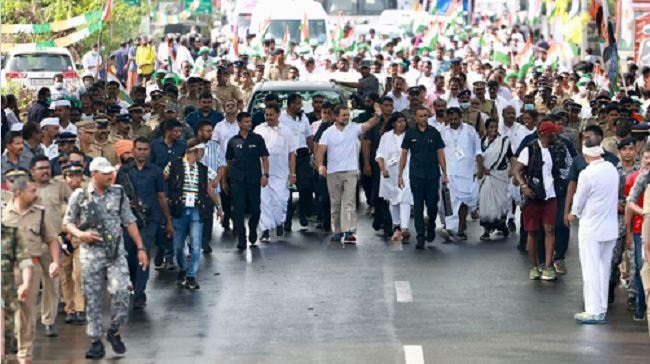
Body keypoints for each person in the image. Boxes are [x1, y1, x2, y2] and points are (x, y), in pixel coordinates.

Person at [63, 157, 148, 359]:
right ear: (94, 175)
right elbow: (68, 223)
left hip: (115, 253)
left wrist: (140, 247)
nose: (110, 176)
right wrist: (80, 234)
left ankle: (114, 330)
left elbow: (129, 221)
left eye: (111, 172)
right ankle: (95, 341)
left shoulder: (118, 193)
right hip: (91, 254)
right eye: (105, 173)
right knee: (92, 298)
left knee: (121, 292)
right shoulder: (80, 195)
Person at [3, 176, 60, 362]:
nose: (36, 194)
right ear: (18, 193)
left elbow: (52, 239)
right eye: (32, 191)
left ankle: (24, 353)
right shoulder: (4, 213)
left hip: (31, 267)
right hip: (6, 269)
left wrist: (55, 262)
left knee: (26, 313)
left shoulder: (40, 213)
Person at [116, 137, 173, 306]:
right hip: (128, 220)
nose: (142, 153)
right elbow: (116, 197)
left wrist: (168, 221)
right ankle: (134, 283)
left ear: (149, 151)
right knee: (129, 255)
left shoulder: (156, 172)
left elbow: (162, 197)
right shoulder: (124, 172)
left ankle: (140, 292)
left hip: (150, 220)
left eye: (145, 149)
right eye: (139, 149)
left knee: (144, 252)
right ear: (133, 150)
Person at [568, 144, 619, 324]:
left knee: (590, 270)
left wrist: (573, 213)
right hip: (610, 228)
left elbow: (579, 199)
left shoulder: (587, 174)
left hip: (591, 228)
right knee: (604, 269)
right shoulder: (612, 169)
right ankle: (601, 307)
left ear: (585, 155)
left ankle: (593, 310)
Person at [316, 104, 381, 243]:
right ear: (335, 116)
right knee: (336, 203)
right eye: (343, 115)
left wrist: (377, 115)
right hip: (333, 172)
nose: (346, 117)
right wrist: (321, 166)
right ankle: (338, 231)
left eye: (347, 115)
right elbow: (320, 150)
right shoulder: (328, 132)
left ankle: (349, 231)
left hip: (351, 171)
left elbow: (368, 124)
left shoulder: (353, 128)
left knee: (349, 202)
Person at [514, 121, 565, 281]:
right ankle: (534, 266)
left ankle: (549, 266)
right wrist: (524, 186)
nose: (556, 136)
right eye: (553, 133)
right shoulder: (530, 149)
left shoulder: (555, 149)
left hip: (551, 196)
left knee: (550, 229)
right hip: (533, 196)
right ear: (545, 134)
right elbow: (516, 170)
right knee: (532, 231)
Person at [399, 105, 447, 249]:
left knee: (432, 205)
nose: (423, 119)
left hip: (432, 174)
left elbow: (440, 153)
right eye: (420, 116)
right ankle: (420, 236)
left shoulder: (434, 133)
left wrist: (445, 173)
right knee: (418, 206)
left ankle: (431, 225)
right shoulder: (410, 134)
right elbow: (404, 154)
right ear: (415, 117)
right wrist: (400, 175)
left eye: (425, 115)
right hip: (416, 175)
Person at [31, 155, 68, 336]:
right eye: (40, 168)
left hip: (52, 243)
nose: (45, 171)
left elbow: (74, 203)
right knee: (28, 286)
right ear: (32, 172)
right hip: (30, 245)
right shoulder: (26, 189)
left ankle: (49, 320)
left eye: (47, 167)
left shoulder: (59, 186)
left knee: (52, 284)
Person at [225, 112, 269, 250]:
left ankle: (252, 227)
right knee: (238, 209)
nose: (249, 124)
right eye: (246, 122)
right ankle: (242, 238)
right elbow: (229, 161)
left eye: (250, 121)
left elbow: (264, 158)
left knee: (256, 209)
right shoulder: (233, 141)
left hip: (254, 179)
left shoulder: (257, 139)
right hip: (237, 180)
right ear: (239, 123)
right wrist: (226, 179)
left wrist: (265, 175)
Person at [439, 106, 484, 241]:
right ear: (447, 118)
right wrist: (442, 171)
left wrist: (480, 168)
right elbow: (439, 152)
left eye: (456, 118)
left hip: (467, 171)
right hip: (449, 172)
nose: (453, 121)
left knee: (465, 200)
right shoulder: (442, 132)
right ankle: (452, 229)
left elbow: (478, 151)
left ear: (461, 118)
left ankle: (461, 226)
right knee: (451, 201)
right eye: (451, 119)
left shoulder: (470, 131)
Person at [255, 104, 297, 242]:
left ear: (278, 114)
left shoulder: (287, 131)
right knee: (264, 202)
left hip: (281, 173)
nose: (268, 117)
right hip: (263, 173)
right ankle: (265, 230)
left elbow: (292, 153)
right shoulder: (259, 130)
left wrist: (292, 173)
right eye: (266, 115)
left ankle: (279, 222)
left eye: (271, 115)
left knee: (281, 201)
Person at [279, 93, 314, 230]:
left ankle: (302, 212)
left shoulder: (303, 117)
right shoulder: (281, 118)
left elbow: (309, 137)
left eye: (300, 104)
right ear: (290, 104)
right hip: (287, 155)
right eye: (297, 103)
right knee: (287, 189)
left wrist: (315, 156)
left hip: (302, 154)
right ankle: (286, 220)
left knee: (305, 186)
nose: (300, 106)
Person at [376, 112, 413, 242]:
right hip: (389, 172)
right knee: (393, 199)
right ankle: (396, 226)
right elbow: (379, 154)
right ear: (393, 123)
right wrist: (383, 169)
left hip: (406, 171)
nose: (402, 124)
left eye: (403, 121)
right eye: (399, 121)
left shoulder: (410, 135)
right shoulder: (386, 136)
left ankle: (404, 228)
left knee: (405, 198)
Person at [59, 162, 88, 326]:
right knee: (65, 274)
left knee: (78, 274)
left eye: (77, 175)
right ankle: (69, 309)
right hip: (61, 238)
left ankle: (80, 308)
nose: (74, 179)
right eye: (70, 176)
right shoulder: (58, 192)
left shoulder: (86, 192)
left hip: (79, 237)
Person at [0, 222, 33, 363]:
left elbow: (24, 260)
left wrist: (26, 283)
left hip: (5, 293)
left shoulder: (11, 233)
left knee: (5, 339)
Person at [478, 118, 514, 240]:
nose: (493, 129)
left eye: (495, 127)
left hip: (500, 175)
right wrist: (482, 169)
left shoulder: (503, 142)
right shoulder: (482, 141)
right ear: (486, 129)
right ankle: (486, 230)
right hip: (486, 176)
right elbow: (478, 158)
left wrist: (512, 171)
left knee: (500, 203)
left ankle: (501, 225)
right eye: (490, 127)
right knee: (485, 203)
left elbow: (511, 157)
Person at [195, 121, 227, 254]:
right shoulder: (193, 148)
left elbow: (222, 165)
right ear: (199, 132)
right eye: (207, 130)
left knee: (209, 215)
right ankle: (195, 241)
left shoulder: (215, 147)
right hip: (196, 188)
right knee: (196, 216)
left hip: (212, 187)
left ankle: (205, 241)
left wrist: (218, 179)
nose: (210, 133)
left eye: (211, 130)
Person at [212, 100, 241, 232]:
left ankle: (236, 220)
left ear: (237, 108)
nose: (230, 107)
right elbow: (215, 144)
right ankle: (226, 217)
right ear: (224, 108)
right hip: (223, 163)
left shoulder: (240, 125)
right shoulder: (219, 126)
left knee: (237, 194)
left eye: (232, 105)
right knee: (225, 192)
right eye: (227, 105)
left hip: (238, 164)